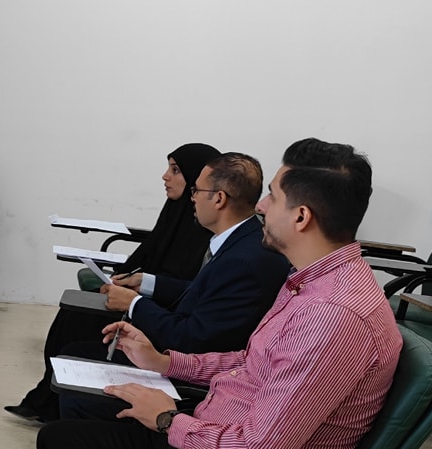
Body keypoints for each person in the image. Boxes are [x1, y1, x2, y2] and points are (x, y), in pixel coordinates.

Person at [10, 138, 402, 449]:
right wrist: (165, 362)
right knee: (58, 440)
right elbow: (252, 361)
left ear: (301, 216)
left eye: (272, 196)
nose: (261, 206)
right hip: (211, 448)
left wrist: (168, 420)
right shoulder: (313, 283)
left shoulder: (333, 316)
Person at [57, 152, 290, 420]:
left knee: (75, 362)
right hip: (183, 356)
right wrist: (146, 283)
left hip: (190, 375)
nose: (193, 198)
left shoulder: (244, 260)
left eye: (196, 190)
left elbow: (192, 339)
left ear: (219, 199)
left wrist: (133, 304)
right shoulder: (242, 240)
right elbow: (204, 293)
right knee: (74, 348)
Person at [6, 143, 219, 422]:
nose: (165, 176)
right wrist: (125, 277)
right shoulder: (174, 212)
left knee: (79, 320)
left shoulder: (207, 227)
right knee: (72, 315)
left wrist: (141, 289)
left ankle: (56, 401)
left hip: (164, 313)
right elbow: (147, 255)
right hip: (146, 297)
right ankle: (49, 394)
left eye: (176, 170)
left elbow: (189, 288)